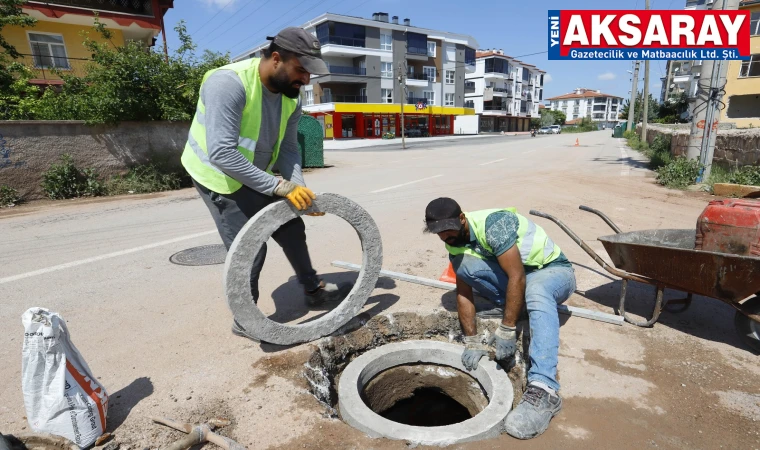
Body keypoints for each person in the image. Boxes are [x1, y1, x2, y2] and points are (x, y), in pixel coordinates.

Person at [181, 27, 352, 340]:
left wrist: (298, 188)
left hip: (254, 171)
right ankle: (246, 318)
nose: (306, 81)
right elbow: (220, 153)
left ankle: (313, 290)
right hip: (217, 176)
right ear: (276, 59)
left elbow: (288, 149)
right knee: (251, 247)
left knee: (291, 226)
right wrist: (279, 187)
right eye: (301, 70)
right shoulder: (228, 84)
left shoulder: (291, 97)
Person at [423, 197, 576, 440]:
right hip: (522, 277)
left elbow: (516, 276)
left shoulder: (493, 224)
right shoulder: (453, 240)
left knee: (536, 291)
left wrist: (507, 328)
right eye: (438, 232)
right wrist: (471, 340)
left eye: (448, 229)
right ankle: (520, 308)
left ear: (462, 218)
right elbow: (463, 292)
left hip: (552, 271)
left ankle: (545, 389)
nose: (445, 235)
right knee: (465, 267)